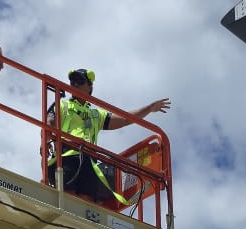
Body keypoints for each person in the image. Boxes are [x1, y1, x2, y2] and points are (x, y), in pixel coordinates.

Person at [48, 68, 170, 208]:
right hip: (66, 156)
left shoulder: (96, 114)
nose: (74, 84)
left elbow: (124, 119)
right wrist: (45, 140)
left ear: (89, 87)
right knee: (67, 197)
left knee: (87, 201)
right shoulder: (62, 104)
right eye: (72, 81)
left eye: (79, 81)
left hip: (88, 160)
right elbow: (49, 121)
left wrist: (148, 109)